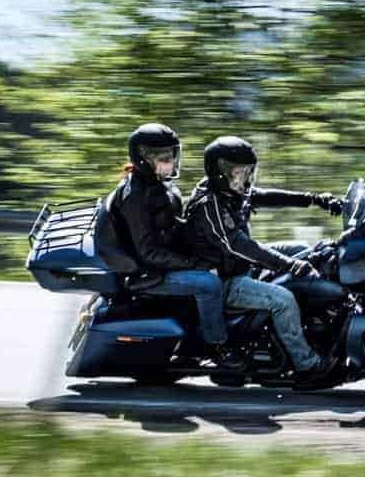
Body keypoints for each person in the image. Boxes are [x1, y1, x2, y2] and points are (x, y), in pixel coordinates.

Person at [183, 135, 342, 383]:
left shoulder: (230, 192)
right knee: (284, 299)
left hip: (239, 266)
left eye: (248, 173)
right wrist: (287, 264)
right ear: (221, 172)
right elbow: (238, 245)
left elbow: (267, 196)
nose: (245, 180)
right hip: (224, 281)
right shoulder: (208, 205)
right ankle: (308, 364)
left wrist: (314, 199)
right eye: (239, 173)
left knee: (302, 247)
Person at [107, 123, 245, 371]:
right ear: (144, 159)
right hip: (147, 273)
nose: (173, 163)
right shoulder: (136, 197)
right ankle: (219, 346)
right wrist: (198, 264)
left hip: (164, 260)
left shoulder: (158, 185)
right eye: (166, 158)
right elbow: (148, 252)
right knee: (208, 283)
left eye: (173, 155)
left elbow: (170, 227)